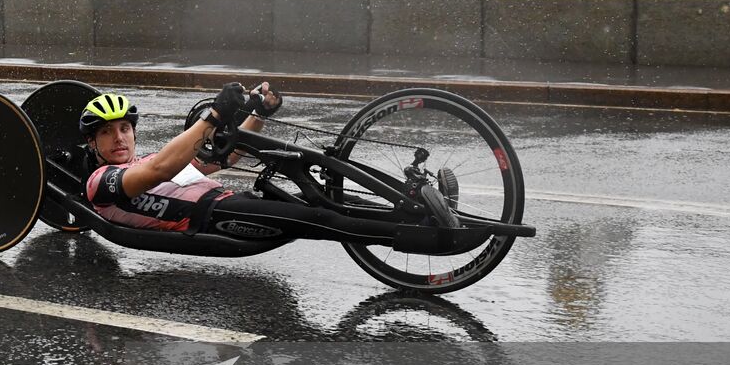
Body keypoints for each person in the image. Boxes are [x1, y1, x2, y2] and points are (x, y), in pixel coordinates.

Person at [81, 83, 459, 235]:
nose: (118, 138)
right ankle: (425, 233)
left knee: (329, 198)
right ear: (93, 144)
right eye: (105, 132)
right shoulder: (101, 183)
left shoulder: (143, 159)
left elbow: (227, 157)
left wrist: (260, 111)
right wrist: (213, 116)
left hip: (234, 202)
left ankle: (420, 206)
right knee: (321, 219)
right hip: (216, 218)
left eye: (124, 129)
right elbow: (161, 169)